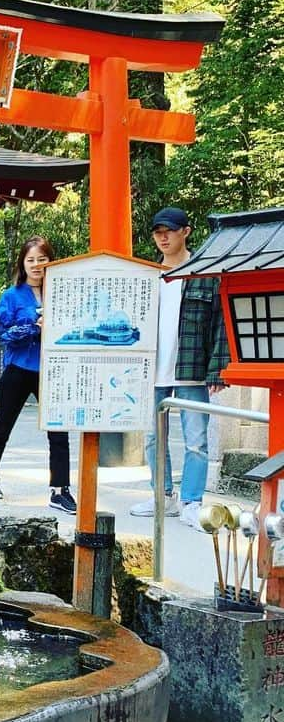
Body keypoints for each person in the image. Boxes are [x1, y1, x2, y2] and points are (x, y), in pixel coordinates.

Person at [129, 207, 229, 527]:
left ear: (185, 231)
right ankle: (163, 496)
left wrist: (217, 369)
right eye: (158, 231)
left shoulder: (205, 272)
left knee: (196, 440)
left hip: (192, 367)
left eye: (169, 230)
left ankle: (191, 500)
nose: (162, 237)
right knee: (152, 438)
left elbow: (221, 324)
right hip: (151, 368)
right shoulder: (145, 275)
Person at [0, 237, 76, 514]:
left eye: (42, 259)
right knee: (3, 424)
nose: (36, 265)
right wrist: (35, 327)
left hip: (52, 370)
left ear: (51, 262)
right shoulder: (11, 296)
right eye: (31, 260)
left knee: (59, 431)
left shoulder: (63, 294)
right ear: (23, 263)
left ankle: (60, 490)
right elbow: (4, 334)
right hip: (19, 368)